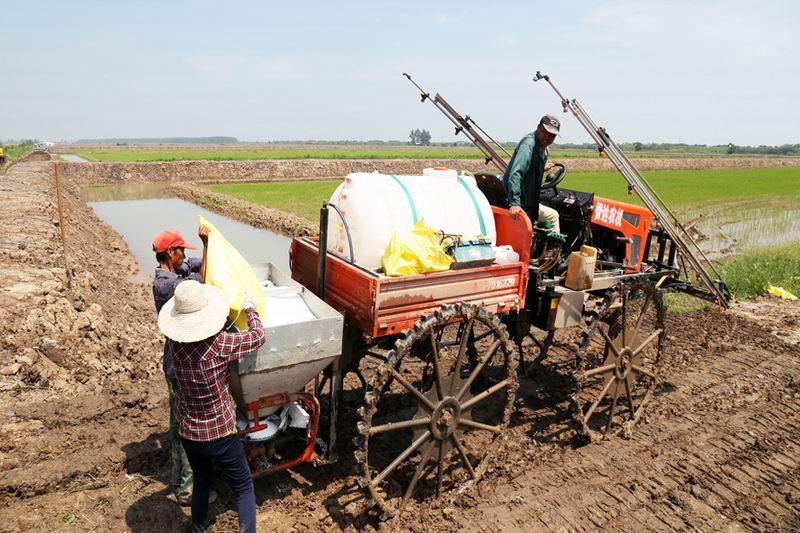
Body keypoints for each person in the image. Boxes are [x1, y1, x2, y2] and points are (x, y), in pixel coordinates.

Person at [159, 280, 266, 533]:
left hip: (189, 433)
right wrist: (250, 309)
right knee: (243, 486)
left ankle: (198, 529)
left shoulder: (174, 345)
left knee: (202, 481)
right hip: (220, 433)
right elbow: (258, 337)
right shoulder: (219, 345)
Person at [152, 227, 213, 506]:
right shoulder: (169, 286)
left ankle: (178, 478)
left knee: (178, 424)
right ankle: (189, 490)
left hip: (173, 363)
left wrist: (209, 253)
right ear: (170, 253)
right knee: (190, 428)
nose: (184, 256)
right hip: (181, 366)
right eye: (181, 251)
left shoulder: (169, 273)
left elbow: (196, 264)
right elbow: (201, 280)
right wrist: (206, 245)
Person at [503, 114, 562, 234]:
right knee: (553, 216)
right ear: (539, 127)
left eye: (552, 135)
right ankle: (552, 246)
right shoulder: (529, 145)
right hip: (520, 202)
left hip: (529, 200)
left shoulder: (543, 149)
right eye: (545, 132)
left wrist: (542, 168)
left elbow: (529, 165)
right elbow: (516, 173)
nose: (548, 137)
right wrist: (515, 203)